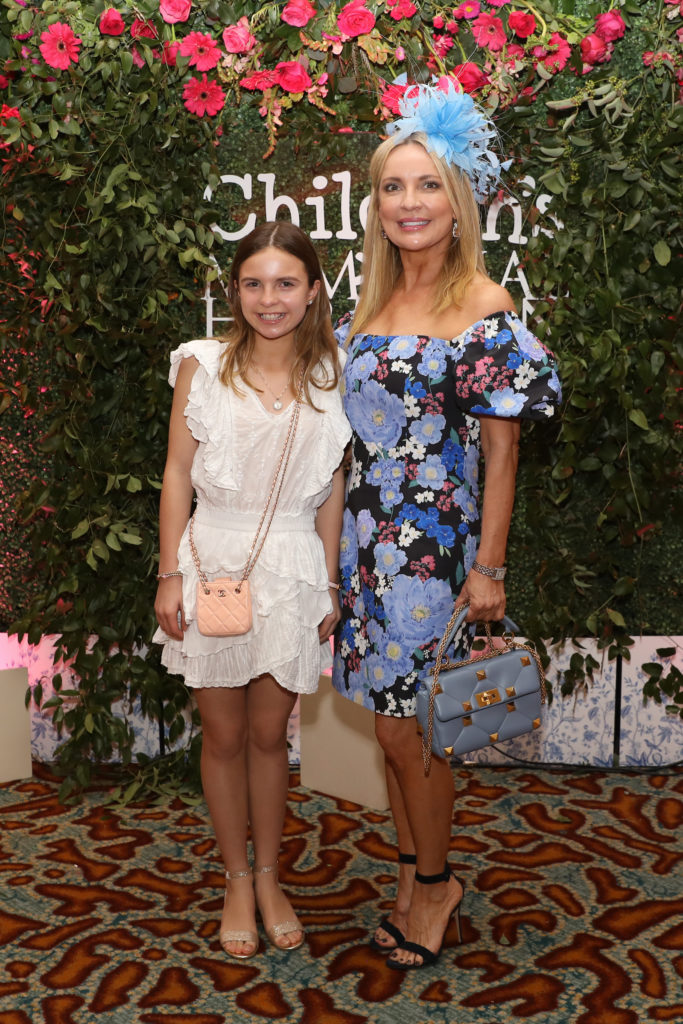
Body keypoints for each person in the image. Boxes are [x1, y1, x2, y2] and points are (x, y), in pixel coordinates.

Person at [332, 82, 562, 971]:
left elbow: (501, 455)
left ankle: (435, 884)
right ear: (376, 204)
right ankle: (408, 869)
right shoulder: (375, 299)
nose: (408, 203)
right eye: (392, 187)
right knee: (388, 725)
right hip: (367, 547)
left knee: (411, 730)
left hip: (434, 553)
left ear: (457, 202)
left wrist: (489, 566)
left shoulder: (481, 300)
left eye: (426, 186)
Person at [154, 221, 351, 959]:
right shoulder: (200, 364)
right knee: (226, 735)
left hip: (294, 566)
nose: (269, 299)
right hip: (212, 558)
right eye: (253, 283)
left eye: (285, 283)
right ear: (233, 292)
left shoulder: (334, 371)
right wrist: (170, 573)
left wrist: (329, 580)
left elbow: (332, 487)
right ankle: (235, 878)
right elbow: (177, 471)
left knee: (273, 737)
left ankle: (271, 877)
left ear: (312, 291)